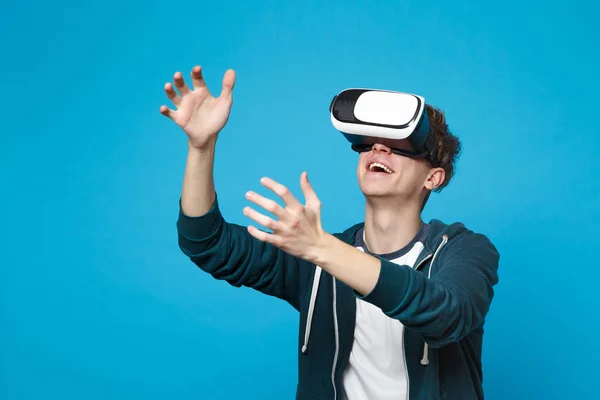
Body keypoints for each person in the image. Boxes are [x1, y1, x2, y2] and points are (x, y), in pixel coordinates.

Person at [160, 65, 500, 400]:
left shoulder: (463, 249)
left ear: (433, 177)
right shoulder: (316, 257)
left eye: (399, 144)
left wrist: (324, 250)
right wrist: (201, 148)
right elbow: (206, 242)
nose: (378, 149)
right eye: (369, 143)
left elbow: (446, 314)